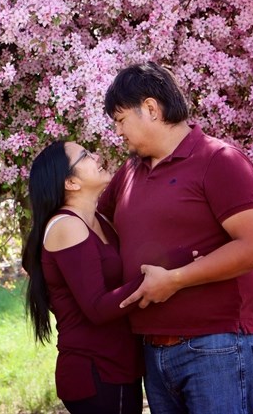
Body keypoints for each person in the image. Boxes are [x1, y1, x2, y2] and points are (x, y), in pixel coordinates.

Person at [98, 61, 253, 414]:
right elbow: (94, 222)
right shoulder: (130, 172)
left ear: (150, 108)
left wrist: (175, 280)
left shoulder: (220, 160)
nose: (118, 132)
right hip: (152, 350)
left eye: (120, 120)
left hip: (216, 346)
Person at [22, 140, 195, 414]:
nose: (98, 155)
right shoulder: (67, 225)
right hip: (94, 371)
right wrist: (167, 272)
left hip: (118, 365)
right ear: (70, 182)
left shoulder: (100, 220)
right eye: (85, 156)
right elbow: (97, 308)